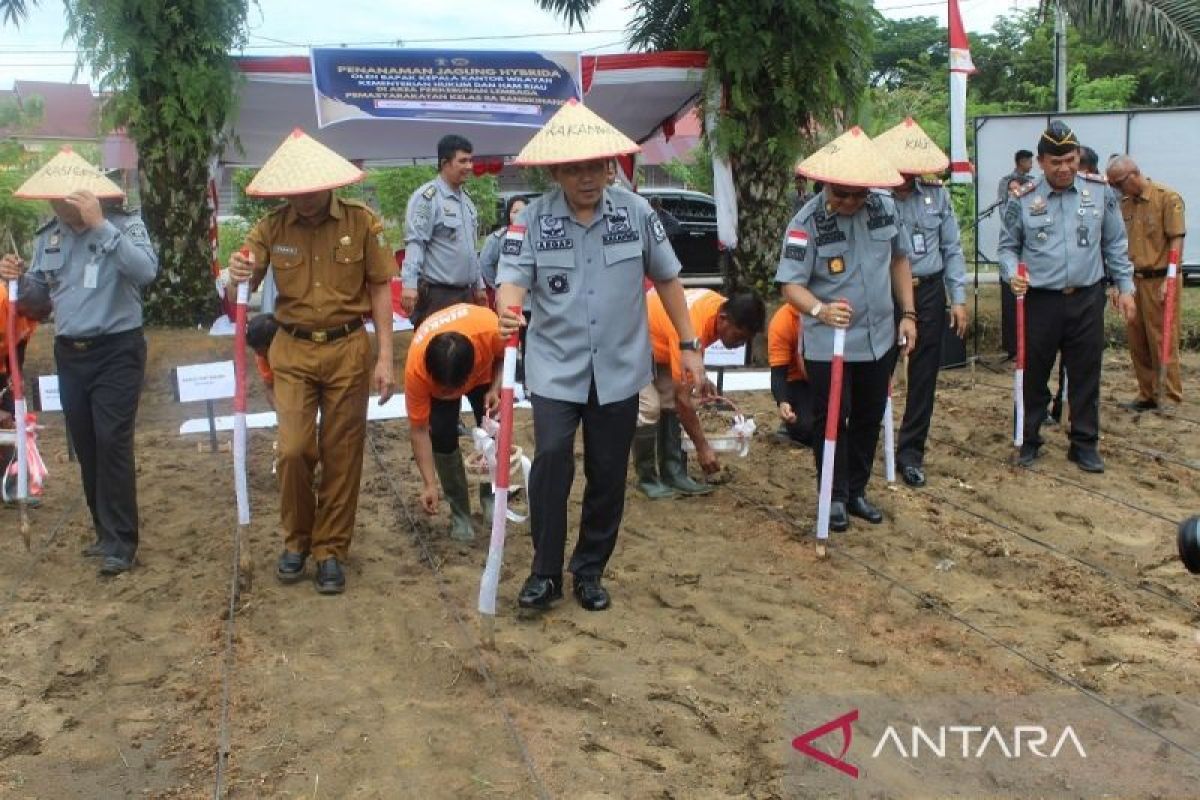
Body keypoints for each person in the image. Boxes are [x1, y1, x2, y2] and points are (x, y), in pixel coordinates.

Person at [495, 99, 709, 612]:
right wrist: (509, 311)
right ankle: (545, 572)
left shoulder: (636, 214)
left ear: (609, 166)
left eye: (596, 166)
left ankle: (589, 570)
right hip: (555, 367)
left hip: (618, 368)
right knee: (550, 461)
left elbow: (668, 278)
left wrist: (689, 346)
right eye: (574, 168)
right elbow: (511, 282)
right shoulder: (533, 220)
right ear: (556, 171)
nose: (587, 177)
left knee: (609, 472)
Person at [226, 130, 396, 595]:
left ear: (328, 184)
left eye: (307, 190)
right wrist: (234, 274)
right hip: (293, 349)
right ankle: (296, 539)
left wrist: (385, 356)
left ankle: (330, 551)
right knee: (295, 450)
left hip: (347, 348)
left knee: (343, 453)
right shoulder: (271, 228)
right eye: (291, 192)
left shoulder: (362, 223)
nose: (300, 199)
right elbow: (241, 277)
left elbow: (381, 288)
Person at [1, 147, 158, 575]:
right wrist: (16, 279)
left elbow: (145, 272)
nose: (58, 206)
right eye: (52, 200)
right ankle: (103, 531)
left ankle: (123, 542)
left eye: (65, 199)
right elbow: (41, 298)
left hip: (117, 349)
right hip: (70, 353)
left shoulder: (123, 226)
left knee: (112, 441)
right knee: (86, 444)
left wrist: (100, 226)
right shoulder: (47, 236)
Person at [777, 127, 917, 530]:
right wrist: (820, 310)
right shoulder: (806, 223)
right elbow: (790, 284)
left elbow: (899, 260)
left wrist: (908, 314)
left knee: (871, 416)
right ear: (825, 185)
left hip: (879, 338)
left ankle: (856, 490)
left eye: (858, 194)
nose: (851, 202)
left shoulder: (885, 209)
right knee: (833, 418)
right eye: (841, 194)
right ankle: (832, 495)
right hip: (830, 342)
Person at [998, 121, 1136, 473]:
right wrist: (1012, 273)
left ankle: (1084, 443)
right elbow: (1007, 248)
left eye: (1070, 160)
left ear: (1078, 158)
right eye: (1055, 162)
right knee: (1033, 373)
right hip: (1040, 301)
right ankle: (1028, 438)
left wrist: (1126, 287)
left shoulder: (1100, 192)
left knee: (1086, 372)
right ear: (1041, 162)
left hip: (1087, 299)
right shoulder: (1024, 198)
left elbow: (1115, 244)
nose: (1064, 169)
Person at [874, 118, 969, 488]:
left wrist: (957, 299)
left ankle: (911, 452)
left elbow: (952, 248)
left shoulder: (936, 194)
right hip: (884, 292)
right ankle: (870, 444)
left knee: (924, 376)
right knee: (877, 369)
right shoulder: (872, 196)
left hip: (929, 290)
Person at [634, 289, 765, 499]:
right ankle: (646, 478)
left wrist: (701, 377)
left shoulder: (721, 307)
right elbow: (683, 400)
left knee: (668, 400)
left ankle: (673, 473)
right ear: (723, 319)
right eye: (739, 336)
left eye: (746, 340)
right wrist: (702, 448)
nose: (741, 344)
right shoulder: (693, 326)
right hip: (634, 339)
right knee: (650, 407)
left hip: (661, 336)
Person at [405, 303, 505, 541]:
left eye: (455, 389)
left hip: (484, 378)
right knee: (441, 433)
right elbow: (419, 431)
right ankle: (460, 512)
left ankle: (491, 497)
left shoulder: (491, 330)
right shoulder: (416, 370)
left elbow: (506, 358)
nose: (452, 394)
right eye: (445, 389)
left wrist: (495, 389)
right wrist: (429, 484)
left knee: (492, 426)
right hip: (446, 375)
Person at [1106, 155, 1187, 409]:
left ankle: (1169, 396)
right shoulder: (1124, 204)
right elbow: (1117, 245)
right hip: (1133, 280)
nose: (1117, 189)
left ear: (1133, 175)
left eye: (1119, 183)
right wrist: (1118, 284)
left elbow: (1176, 239)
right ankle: (1147, 393)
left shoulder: (1167, 198)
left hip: (1161, 278)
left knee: (1162, 338)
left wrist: (1171, 278)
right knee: (1137, 338)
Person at [401, 134, 485, 327]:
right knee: (438, 353)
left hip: (466, 294)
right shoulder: (428, 197)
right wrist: (409, 285)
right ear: (445, 163)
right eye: (463, 161)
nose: (469, 167)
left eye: (471, 160)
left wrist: (479, 286)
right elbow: (416, 243)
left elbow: (472, 250)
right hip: (438, 296)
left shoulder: (467, 201)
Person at [767, 303, 814, 447]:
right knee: (807, 430)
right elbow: (778, 373)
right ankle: (789, 425)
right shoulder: (782, 321)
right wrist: (783, 402)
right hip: (797, 379)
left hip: (827, 374)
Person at [480, 196, 528, 290]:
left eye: (524, 211)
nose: (519, 215)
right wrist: (498, 287)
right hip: (509, 293)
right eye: (515, 212)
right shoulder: (498, 238)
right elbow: (485, 263)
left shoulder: (536, 237)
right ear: (508, 214)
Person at [245, 313, 279, 409]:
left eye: (259, 349)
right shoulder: (262, 358)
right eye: (254, 349)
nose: (257, 353)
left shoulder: (297, 352)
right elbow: (270, 387)